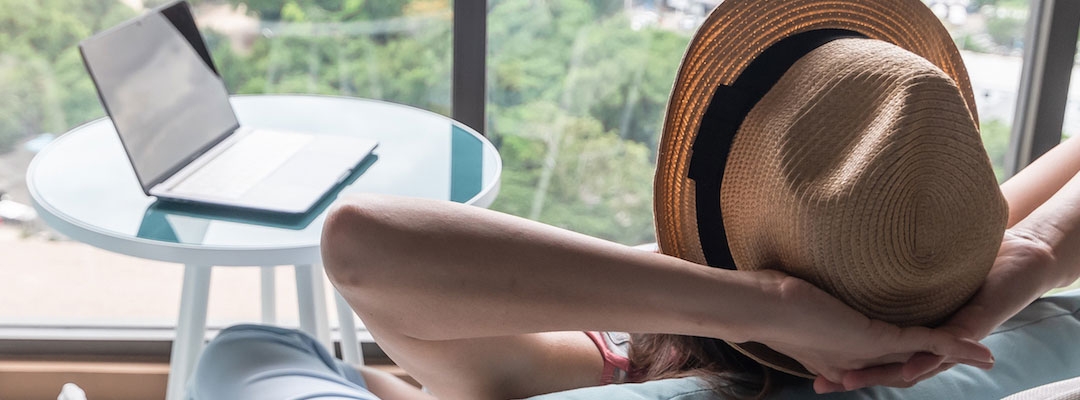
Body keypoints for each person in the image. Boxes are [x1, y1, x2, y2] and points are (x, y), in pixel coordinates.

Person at [190, 0, 1080, 398]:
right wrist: (1028, 262)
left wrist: (766, 305)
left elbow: (357, 240)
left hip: (474, 368)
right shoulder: (942, 270)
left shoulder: (580, 369)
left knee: (247, 351)